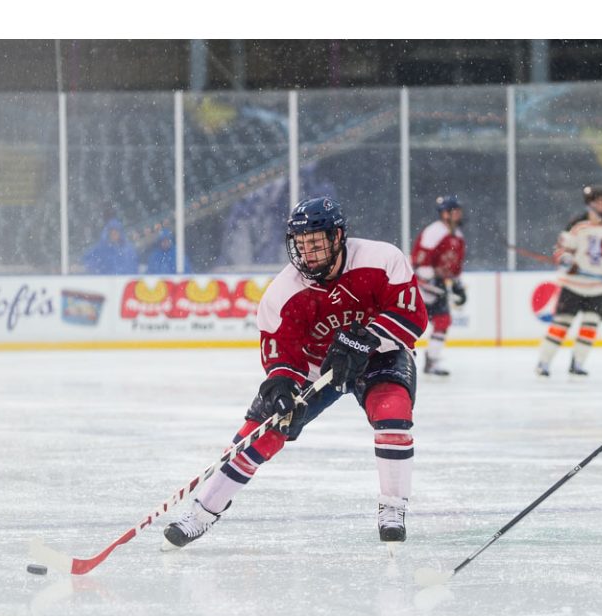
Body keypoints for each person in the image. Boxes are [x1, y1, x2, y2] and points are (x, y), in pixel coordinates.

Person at [163, 197, 427, 548]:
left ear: (338, 238)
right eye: (301, 246)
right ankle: (201, 512)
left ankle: (393, 507)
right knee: (264, 429)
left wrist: (367, 338)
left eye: (316, 245)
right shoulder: (283, 293)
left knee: (392, 413)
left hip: (380, 356)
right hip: (319, 368)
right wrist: (281, 384)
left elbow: (413, 317)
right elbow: (282, 355)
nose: (308, 255)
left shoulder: (381, 260)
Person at [535, 185, 602, 377]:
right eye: (599, 201)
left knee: (590, 326)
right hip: (573, 286)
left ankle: (578, 362)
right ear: (590, 204)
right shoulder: (577, 226)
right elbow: (561, 250)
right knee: (561, 324)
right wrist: (567, 261)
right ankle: (543, 362)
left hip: (598, 289)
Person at [410, 194, 467, 376]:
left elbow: (455, 265)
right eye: (455, 211)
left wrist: (458, 284)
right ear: (445, 214)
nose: (459, 214)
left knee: (443, 321)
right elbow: (419, 262)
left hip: (437, 284)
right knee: (410, 324)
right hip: (420, 284)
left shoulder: (457, 236)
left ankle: (432, 361)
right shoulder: (435, 231)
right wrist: (431, 282)